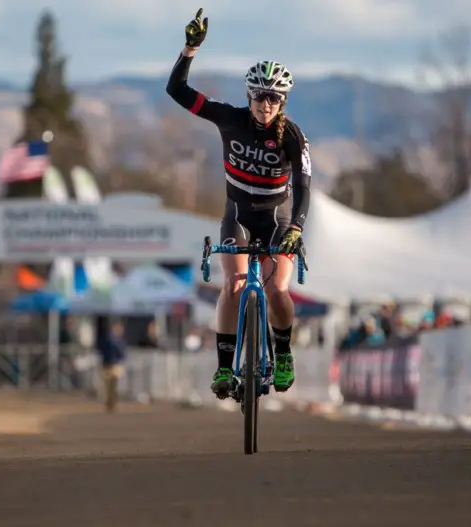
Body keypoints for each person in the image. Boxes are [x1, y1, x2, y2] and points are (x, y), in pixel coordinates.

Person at [166, 9, 312, 398]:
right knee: (232, 284)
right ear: (248, 97)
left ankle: (282, 354)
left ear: (282, 101)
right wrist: (190, 49)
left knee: (279, 290)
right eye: (260, 97)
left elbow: (304, 185)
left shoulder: (293, 138)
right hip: (238, 216)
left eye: (273, 98)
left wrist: (296, 227)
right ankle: (224, 369)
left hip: (278, 218)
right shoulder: (229, 119)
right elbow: (176, 91)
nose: (266, 105)